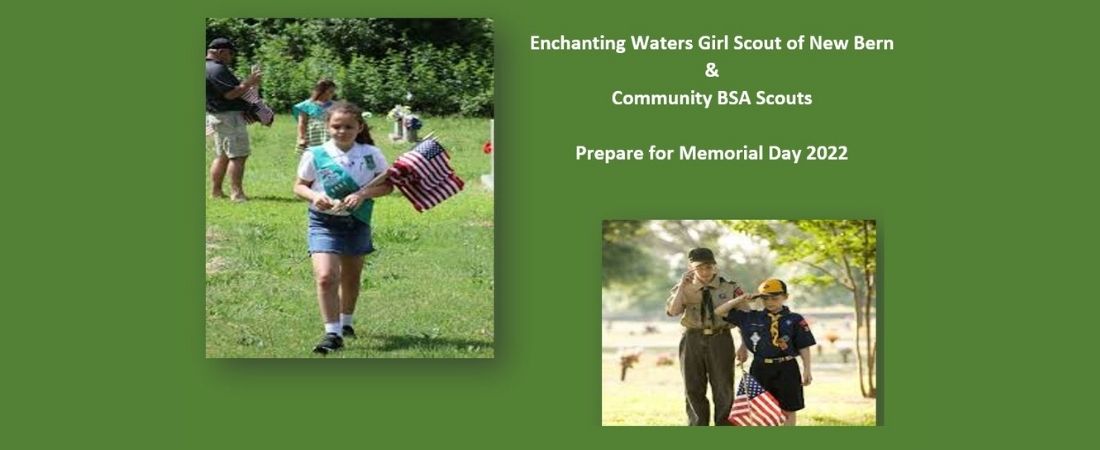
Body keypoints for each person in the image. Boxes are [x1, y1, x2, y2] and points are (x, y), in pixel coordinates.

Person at [293, 101, 393, 355]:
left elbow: (387, 186)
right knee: (326, 277)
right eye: (336, 126)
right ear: (327, 126)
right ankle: (332, 333)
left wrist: (363, 194)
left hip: (356, 222)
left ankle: (346, 323)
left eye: (348, 126)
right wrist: (315, 197)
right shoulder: (315, 154)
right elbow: (299, 186)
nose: (342, 131)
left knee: (351, 276)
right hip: (323, 222)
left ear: (359, 127)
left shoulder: (371, 153)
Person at [715, 278, 816, 426]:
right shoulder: (751, 317)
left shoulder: (794, 319)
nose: (770, 302)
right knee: (760, 409)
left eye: (775, 298)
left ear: (785, 297)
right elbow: (719, 311)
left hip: (787, 367)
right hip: (760, 367)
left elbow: (804, 346)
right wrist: (740, 299)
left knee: (789, 407)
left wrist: (807, 369)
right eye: (765, 298)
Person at [665, 247, 747, 426]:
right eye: (699, 268)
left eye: (709, 267)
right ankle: (697, 426)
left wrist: (744, 345)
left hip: (721, 339)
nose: (705, 272)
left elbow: (745, 319)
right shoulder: (683, 288)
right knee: (693, 386)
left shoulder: (730, 287)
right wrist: (681, 287)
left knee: (723, 386)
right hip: (692, 340)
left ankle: (724, 427)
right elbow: (673, 311)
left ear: (715, 266)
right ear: (690, 267)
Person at [206, 37, 262, 202]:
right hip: (229, 117)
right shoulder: (217, 69)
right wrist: (249, 82)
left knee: (222, 156)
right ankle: (237, 194)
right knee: (238, 155)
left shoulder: (206, 67)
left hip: (217, 116)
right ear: (221, 51)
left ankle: (216, 192)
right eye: (230, 54)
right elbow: (230, 94)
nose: (231, 57)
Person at [293, 79, 337, 152]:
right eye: (330, 92)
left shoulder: (335, 106)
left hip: (328, 138)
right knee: (311, 158)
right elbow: (302, 123)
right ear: (321, 91)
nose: (332, 94)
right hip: (312, 138)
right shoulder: (306, 105)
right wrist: (302, 138)